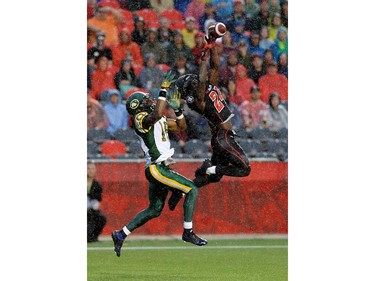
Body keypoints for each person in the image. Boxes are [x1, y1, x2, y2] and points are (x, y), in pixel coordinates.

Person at [111, 73, 207, 257]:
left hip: (161, 167)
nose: (150, 100)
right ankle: (187, 231)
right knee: (192, 189)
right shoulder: (140, 119)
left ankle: (121, 234)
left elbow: (181, 127)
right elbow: (155, 115)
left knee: (154, 209)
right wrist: (163, 90)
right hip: (156, 168)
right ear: (138, 107)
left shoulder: (157, 117)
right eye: (145, 100)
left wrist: (178, 110)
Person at [173, 33, 251, 191]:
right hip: (222, 137)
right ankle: (209, 167)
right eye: (192, 83)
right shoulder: (198, 101)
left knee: (214, 178)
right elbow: (201, 80)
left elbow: (215, 67)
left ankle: (186, 190)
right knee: (244, 169)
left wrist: (212, 44)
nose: (194, 81)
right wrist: (203, 59)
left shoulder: (208, 87)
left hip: (221, 136)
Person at [87, 162, 107, 242]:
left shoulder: (97, 185)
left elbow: (98, 198)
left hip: (92, 210)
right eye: (88, 168)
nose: (90, 171)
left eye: (92, 169)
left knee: (101, 218)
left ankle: (93, 237)